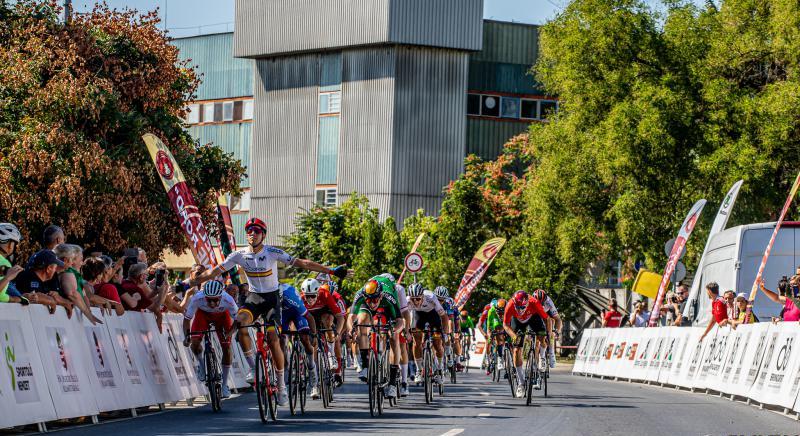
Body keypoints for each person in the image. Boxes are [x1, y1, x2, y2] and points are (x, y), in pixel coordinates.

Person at [189, 217, 351, 407]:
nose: (252, 233)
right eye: (249, 230)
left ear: (263, 235)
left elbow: (303, 263)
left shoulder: (272, 252)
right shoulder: (238, 255)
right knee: (240, 322)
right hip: (254, 298)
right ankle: (252, 369)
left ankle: (281, 386)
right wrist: (186, 284)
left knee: (274, 339)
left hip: (272, 299)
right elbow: (213, 272)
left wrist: (331, 271)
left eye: (256, 231)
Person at [348, 278, 405, 398]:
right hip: (367, 311)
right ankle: (365, 365)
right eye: (368, 300)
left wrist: (395, 330)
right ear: (364, 296)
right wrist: (351, 330)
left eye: (374, 300)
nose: (372, 303)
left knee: (394, 337)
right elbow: (351, 317)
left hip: (386, 308)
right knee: (361, 322)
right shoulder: (360, 295)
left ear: (380, 296)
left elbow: (400, 321)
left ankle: (393, 383)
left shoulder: (388, 296)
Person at [182, 281, 238, 398]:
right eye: (209, 300)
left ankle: (224, 384)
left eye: (216, 300)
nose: (212, 304)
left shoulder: (228, 299)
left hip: (222, 316)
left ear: (221, 296)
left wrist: (230, 332)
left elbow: (238, 320)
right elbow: (187, 319)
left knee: (227, 347)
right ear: (204, 296)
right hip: (203, 315)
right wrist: (187, 337)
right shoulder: (197, 298)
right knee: (195, 342)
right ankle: (202, 366)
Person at [504, 290, 550, 397]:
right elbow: (506, 325)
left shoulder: (534, 302)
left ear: (527, 303)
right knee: (516, 350)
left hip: (533, 317)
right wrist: (514, 336)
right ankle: (521, 383)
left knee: (542, 336)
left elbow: (546, 318)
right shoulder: (510, 305)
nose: (520, 310)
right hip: (518, 322)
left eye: (522, 308)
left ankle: (542, 358)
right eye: (518, 308)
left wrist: (547, 334)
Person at [301, 278, 345, 388]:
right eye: (307, 296)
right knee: (313, 343)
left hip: (324, 312)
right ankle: (314, 373)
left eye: (313, 296)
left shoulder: (325, 294)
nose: (310, 299)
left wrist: (338, 334)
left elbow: (340, 317)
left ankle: (331, 355)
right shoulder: (301, 298)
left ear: (317, 293)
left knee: (328, 321)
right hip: (311, 317)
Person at [406, 283, 450, 385]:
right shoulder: (407, 300)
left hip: (432, 315)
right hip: (418, 316)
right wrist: (407, 331)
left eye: (418, 298)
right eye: (413, 299)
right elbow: (405, 317)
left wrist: (446, 332)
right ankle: (419, 370)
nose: (415, 301)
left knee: (437, 343)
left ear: (422, 296)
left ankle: (439, 369)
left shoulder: (431, 297)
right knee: (416, 342)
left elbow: (444, 317)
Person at [532, 289, 562, 368]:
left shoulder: (549, 302)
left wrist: (556, 332)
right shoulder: (530, 302)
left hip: (547, 315)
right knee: (537, 341)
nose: (541, 305)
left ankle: (552, 352)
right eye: (539, 303)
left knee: (551, 327)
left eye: (542, 303)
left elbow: (558, 319)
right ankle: (536, 362)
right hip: (536, 317)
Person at [0, 223, 28, 305]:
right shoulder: (4, 263)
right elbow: (0, 296)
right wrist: (7, 278)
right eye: (14, 243)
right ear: (9, 245)